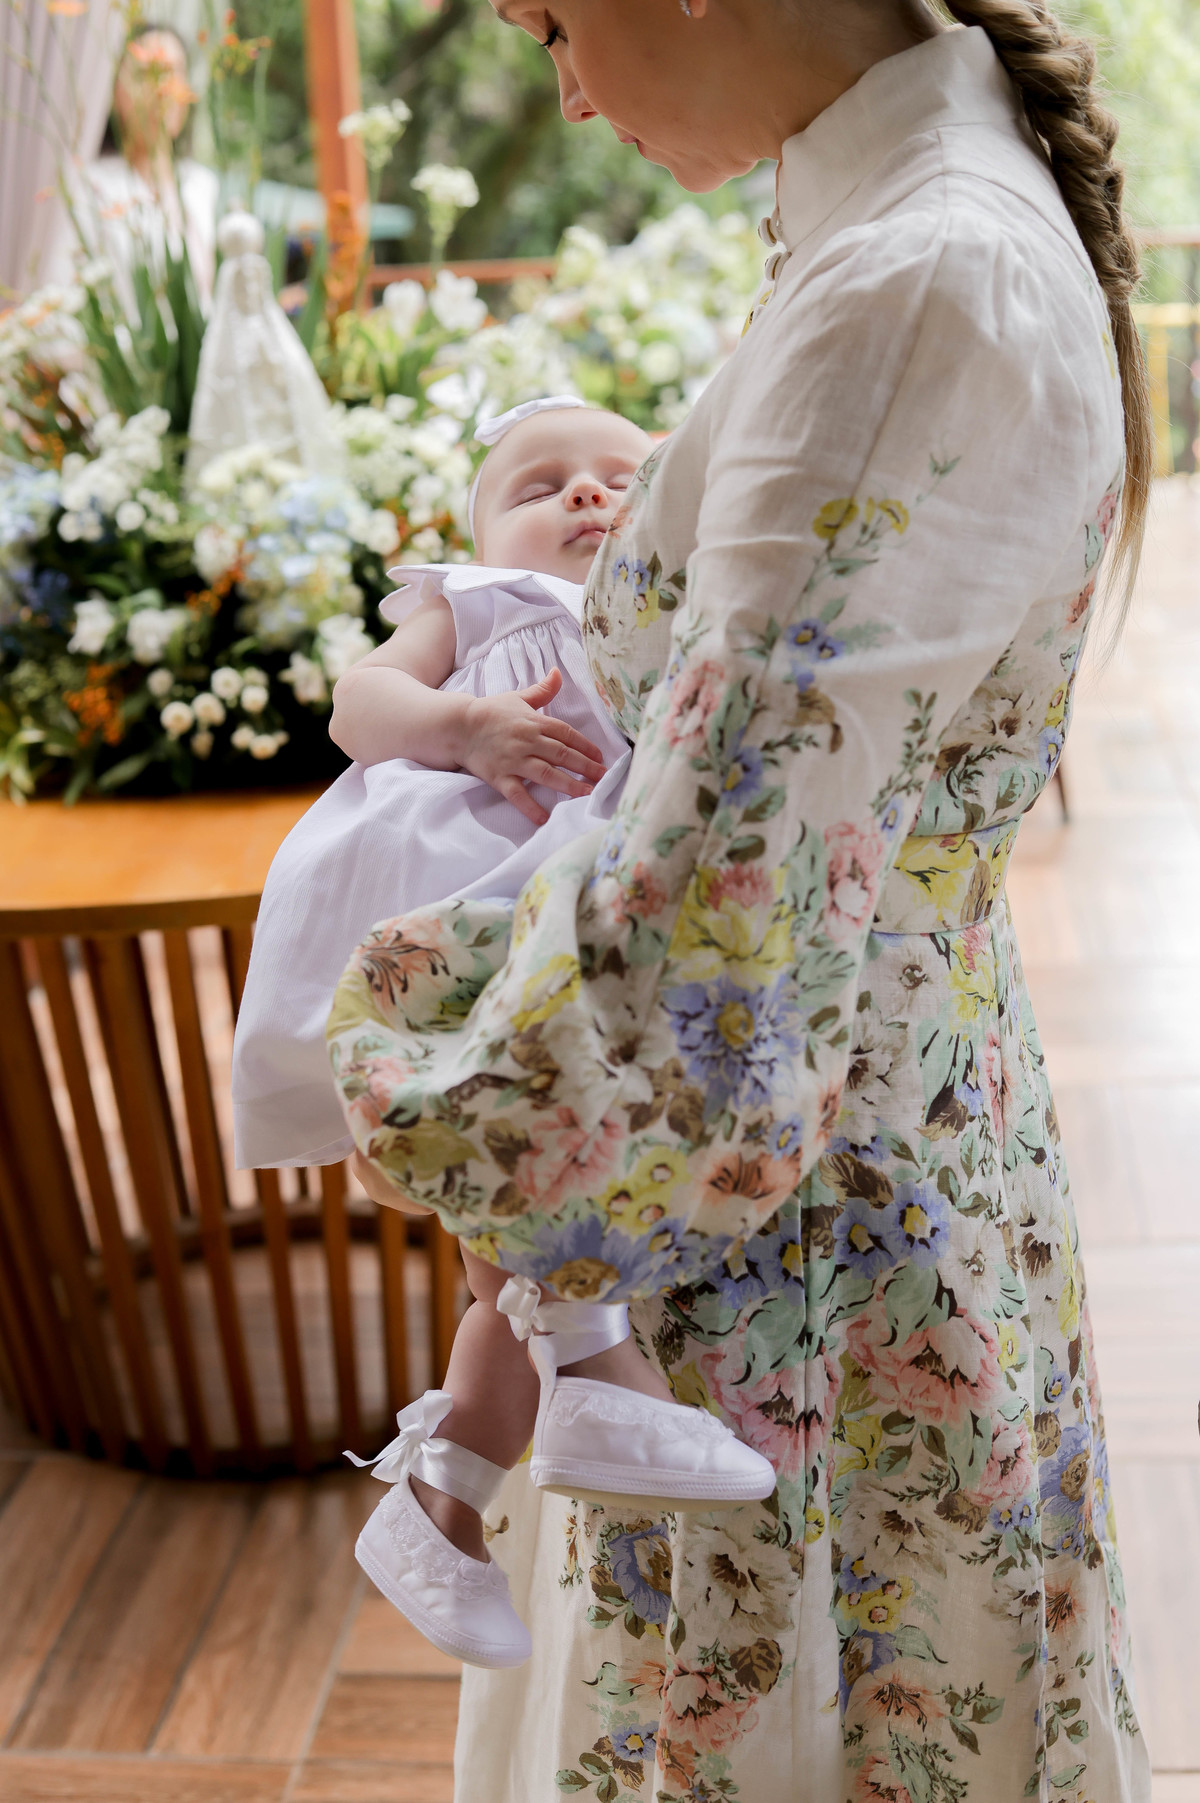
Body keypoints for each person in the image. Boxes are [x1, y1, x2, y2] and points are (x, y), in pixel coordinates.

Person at [329, 2, 1154, 1800]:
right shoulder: (905, 223)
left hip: (792, 1244)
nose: (564, 80)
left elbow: (711, 940)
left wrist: (391, 1028)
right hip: (862, 1165)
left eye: (554, 21)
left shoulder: (918, 280)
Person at [232, 396, 776, 1669]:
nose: (586, 495)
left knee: (507, 1269)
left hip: (559, 922)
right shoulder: (475, 604)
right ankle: (590, 1380)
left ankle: (444, 1506)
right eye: (541, 483)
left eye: (616, 477)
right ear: (478, 532)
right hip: (446, 910)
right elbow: (357, 706)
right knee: (518, 1224)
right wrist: (459, 727)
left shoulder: (667, 607)